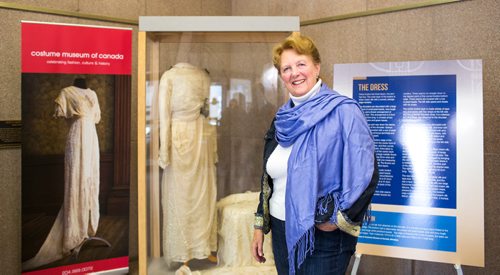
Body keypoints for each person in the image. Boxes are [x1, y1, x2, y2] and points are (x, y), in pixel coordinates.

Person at [251, 33, 379, 275]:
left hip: (323, 236)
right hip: (281, 229)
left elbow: (368, 174)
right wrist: (260, 225)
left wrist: (337, 219)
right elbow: (269, 178)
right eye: (286, 68)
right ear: (281, 77)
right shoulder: (280, 120)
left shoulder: (344, 112)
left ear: (317, 67)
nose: (294, 73)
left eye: (301, 64)